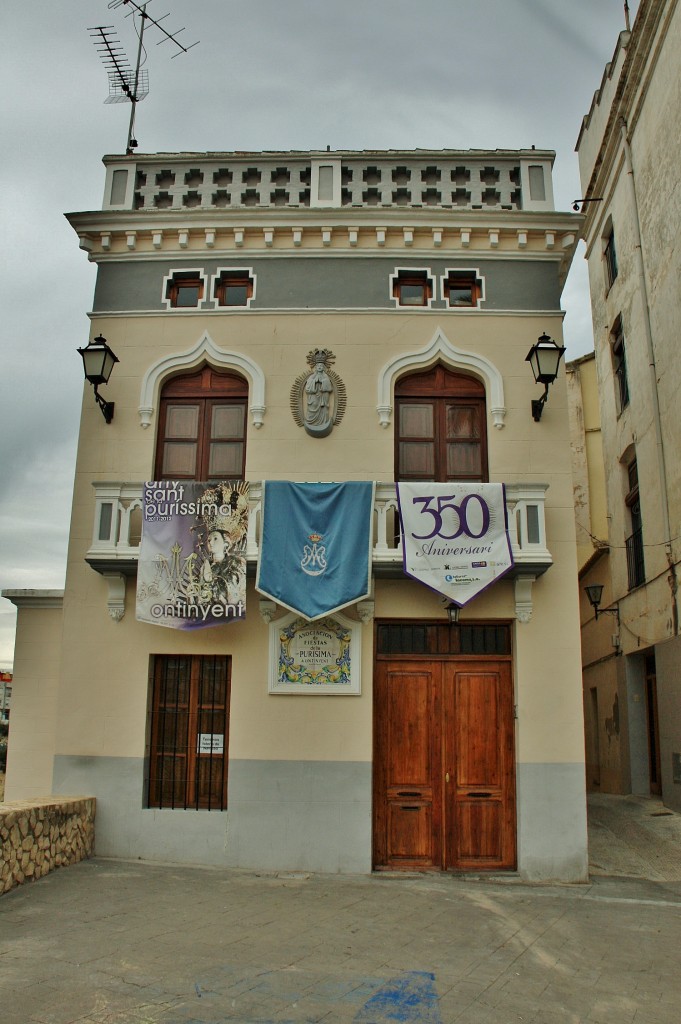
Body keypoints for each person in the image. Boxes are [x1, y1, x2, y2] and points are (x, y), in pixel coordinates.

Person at [304, 360, 334, 434]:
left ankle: (324, 422)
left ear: (323, 368)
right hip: (314, 397)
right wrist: (314, 381)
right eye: (318, 366)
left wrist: (323, 381)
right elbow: (307, 388)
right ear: (316, 367)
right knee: (313, 407)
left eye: (321, 366)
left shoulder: (325, 376)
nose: (320, 367)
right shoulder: (312, 377)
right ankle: (311, 422)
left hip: (323, 397)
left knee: (323, 409)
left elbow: (329, 388)